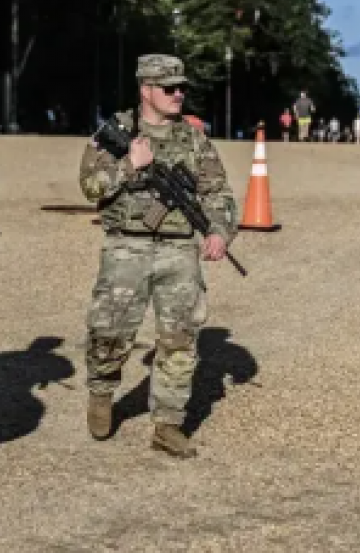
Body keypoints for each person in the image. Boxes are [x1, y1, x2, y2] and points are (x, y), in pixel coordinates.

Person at [78, 54, 239, 459]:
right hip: (126, 247)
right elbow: (90, 186)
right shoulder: (116, 132)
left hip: (179, 250)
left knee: (180, 337)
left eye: (181, 87)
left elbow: (217, 193)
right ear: (145, 89)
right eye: (169, 88)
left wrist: (219, 231)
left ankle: (167, 423)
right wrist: (130, 166)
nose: (178, 94)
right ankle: (101, 390)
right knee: (111, 329)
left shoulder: (194, 139)